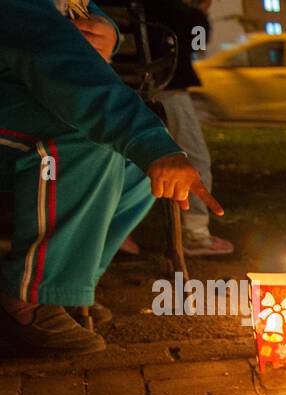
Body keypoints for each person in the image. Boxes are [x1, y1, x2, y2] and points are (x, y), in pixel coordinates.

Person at [0, 0, 220, 355]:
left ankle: (68, 285)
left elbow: (71, 12)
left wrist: (105, 29)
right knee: (88, 140)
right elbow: (61, 62)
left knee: (134, 165)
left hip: (19, 94)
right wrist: (153, 145)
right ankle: (29, 296)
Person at [143, 0, 232, 256]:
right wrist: (199, 12)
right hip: (164, 85)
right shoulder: (172, 10)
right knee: (193, 157)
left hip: (121, 83)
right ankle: (196, 234)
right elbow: (197, 41)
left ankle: (114, 234)